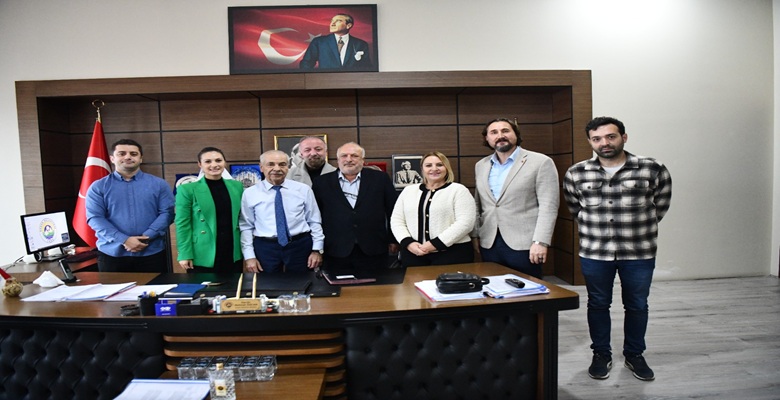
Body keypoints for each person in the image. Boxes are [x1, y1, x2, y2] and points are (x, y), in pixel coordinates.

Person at [563, 116, 672, 382]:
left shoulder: (652, 168)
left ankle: (635, 355)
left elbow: (660, 205)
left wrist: (637, 227)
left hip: (639, 252)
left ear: (624, 137)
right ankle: (601, 354)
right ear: (590, 142)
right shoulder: (576, 173)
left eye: (611, 136)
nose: (604, 143)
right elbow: (575, 208)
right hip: (595, 252)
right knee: (598, 304)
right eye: (597, 139)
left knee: (637, 305)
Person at [472, 118, 559, 279]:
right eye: (494, 132)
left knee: (528, 290)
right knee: (494, 288)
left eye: (505, 131)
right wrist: (476, 234)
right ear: (487, 138)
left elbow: (549, 206)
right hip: (489, 242)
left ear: (516, 134)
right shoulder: (481, 165)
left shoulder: (540, 162)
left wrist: (540, 242)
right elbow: (478, 204)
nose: (500, 135)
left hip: (525, 244)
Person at [86, 139, 174, 272]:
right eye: (122, 153)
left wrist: (146, 237)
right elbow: (95, 218)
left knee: (157, 287)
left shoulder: (159, 184)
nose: (128, 157)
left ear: (141, 158)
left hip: (152, 253)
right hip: (112, 255)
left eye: (133, 154)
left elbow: (167, 213)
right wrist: (124, 240)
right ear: (112, 158)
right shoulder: (98, 187)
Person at [312, 142, 398, 269]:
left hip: (374, 248)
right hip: (335, 249)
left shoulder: (380, 179)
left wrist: (393, 239)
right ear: (337, 160)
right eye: (344, 156)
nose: (349, 159)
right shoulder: (321, 182)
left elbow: (393, 210)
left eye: (354, 156)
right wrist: (317, 248)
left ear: (363, 160)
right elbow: (315, 216)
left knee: (376, 282)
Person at [239, 150, 324, 273]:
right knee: (267, 284)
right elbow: (246, 226)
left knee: (302, 282)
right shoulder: (250, 193)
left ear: (288, 167)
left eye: (282, 164)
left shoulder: (303, 190)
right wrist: (249, 256)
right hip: (265, 248)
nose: (277, 168)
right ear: (261, 167)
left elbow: (314, 221)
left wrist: (317, 249)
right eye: (271, 164)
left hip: (300, 246)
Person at [391, 152, 476, 266]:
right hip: (413, 254)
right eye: (428, 165)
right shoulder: (408, 191)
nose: (434, 169)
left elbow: (466, 223)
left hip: (453, 254)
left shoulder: (459, 190)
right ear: (422, 169)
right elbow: (396, 220)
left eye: (439, 165)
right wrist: (408, 243)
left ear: (446, 168)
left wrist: (435, 244)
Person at [175, 147, 244, 274]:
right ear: (200, 164)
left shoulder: (237, 186)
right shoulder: (187, 189)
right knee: (204, 286)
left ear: (224, 162)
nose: (214, 165)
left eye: (218, 160)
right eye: (208, 161)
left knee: (234, 284)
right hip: (202, 250)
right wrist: (184, 253)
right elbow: (182, 224)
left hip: (232, 248)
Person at [299, 13, 373, 71]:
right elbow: (306, 64)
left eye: (338, 21)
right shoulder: (319, 42)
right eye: (332, 21)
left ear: (348, 25)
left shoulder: (360, 44)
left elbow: (366, 67)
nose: (332, 24)